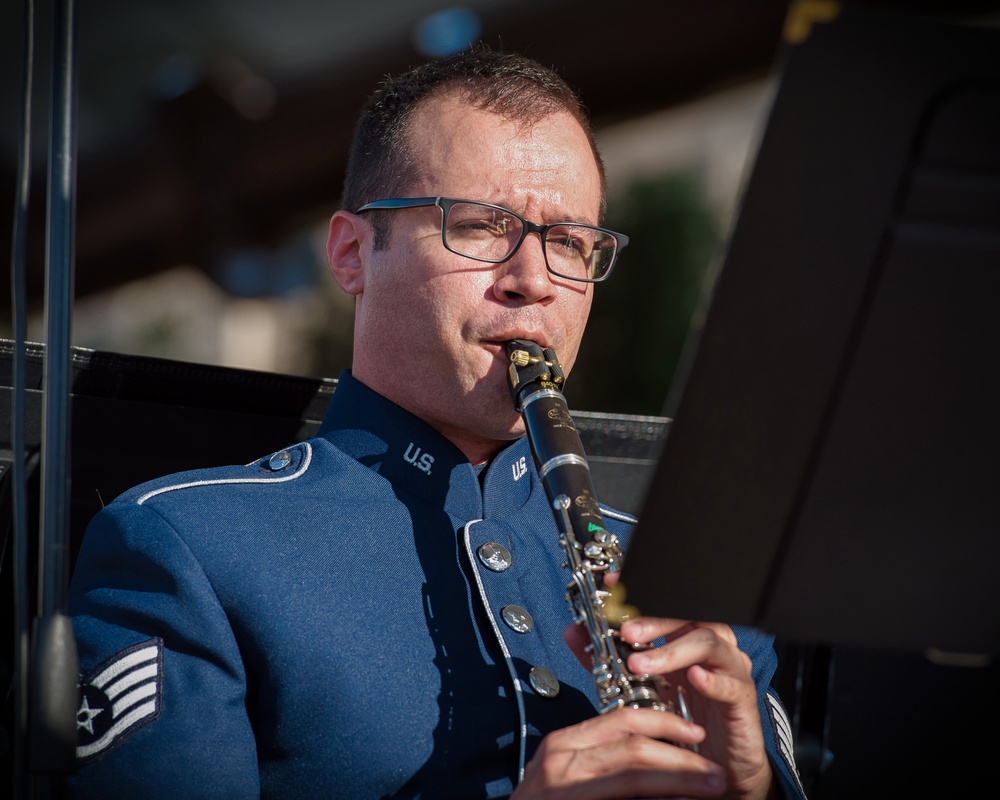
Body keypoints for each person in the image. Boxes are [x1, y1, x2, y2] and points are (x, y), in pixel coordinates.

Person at [67, 47, 806, 799]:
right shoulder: (189, 548)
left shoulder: (696, 585)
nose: (535, 281)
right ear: (353, 254)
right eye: (483, 226)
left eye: (570, 243)